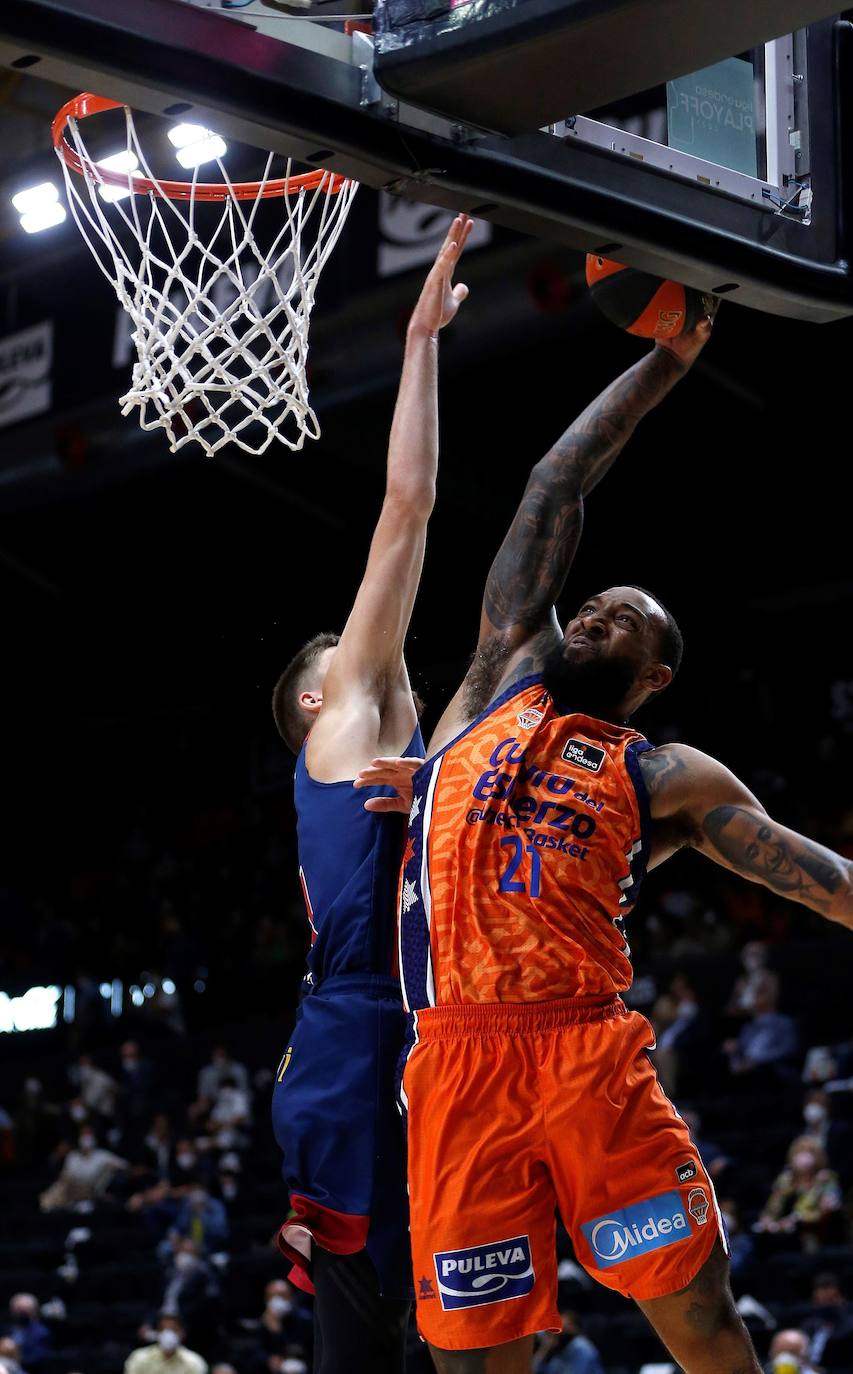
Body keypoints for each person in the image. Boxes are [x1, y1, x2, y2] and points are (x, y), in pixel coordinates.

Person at [356, 314, 853, 1372]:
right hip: (455, 1058)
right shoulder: (497, 678)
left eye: (622, 618)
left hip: (585, 1055)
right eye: (589, 604)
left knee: (699, 1312)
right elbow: (552, 485)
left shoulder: (662, 773)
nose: (594, 613)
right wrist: (666, 362)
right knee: (475, 1356)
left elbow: (824, 883)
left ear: (655, 675)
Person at [269, 217, 472, 1373]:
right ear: (317, 705)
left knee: (450, 1315)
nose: (355, 651)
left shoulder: (424, 750)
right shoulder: (346, 727)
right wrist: (418, 344)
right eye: (333, 656)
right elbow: (406, 509)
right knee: (376, 1330)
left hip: (425, 1025)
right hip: (359, 1036)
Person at [755, 1136, 843, 1249]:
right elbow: (772, 1207)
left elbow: (825, 1210)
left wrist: (795, 1219)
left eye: (809, 1151)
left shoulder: (826, 1178)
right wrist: (767, 1220)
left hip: (813, 1232)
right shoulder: (785, 1179)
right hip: (782, 1233)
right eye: (800, 1151)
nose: (804, 1156)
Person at [124, 1316, 207, 1374]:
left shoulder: (195, 1362)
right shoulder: (139, 1358)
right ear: (156, 1332)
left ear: (182, 1333)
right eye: (163, 1329)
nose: (168, 1334)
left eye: (174, 1329)